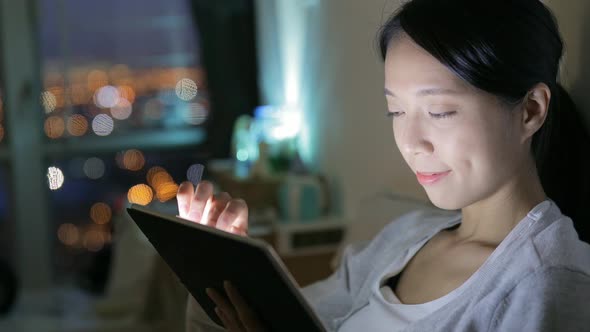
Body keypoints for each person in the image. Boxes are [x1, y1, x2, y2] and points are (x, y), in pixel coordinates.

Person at [177, 0, 590, 331]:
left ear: (530, 111)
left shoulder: (548, 284)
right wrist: (224, 272)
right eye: (396, 112)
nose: (411, 143)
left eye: (441, 111)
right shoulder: (403, 239)